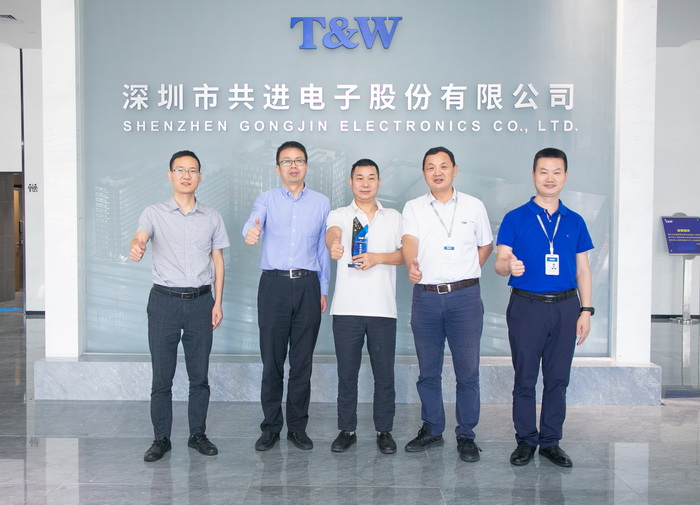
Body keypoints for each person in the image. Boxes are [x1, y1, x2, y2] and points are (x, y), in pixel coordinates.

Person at [494, 147, 593, 468]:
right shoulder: (515, 218)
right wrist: (509, 265)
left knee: (558, 379)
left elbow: (583, 270)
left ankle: (551, 442)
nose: (550, 178)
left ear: (565, 176)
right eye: (543, 172)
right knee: (525, 378)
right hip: (526, 306)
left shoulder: (575, 221)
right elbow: (499, 262)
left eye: (556, 172)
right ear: (533, 175)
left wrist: (586, 310)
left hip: (566, 307)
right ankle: (526, 440)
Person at [130, 150, 229, 462]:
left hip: (201, 303)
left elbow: (218, 261)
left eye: (192, 170)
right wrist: (138, 244)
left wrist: (218, 302)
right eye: (180, 169)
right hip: (164, 303)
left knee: (199, 377)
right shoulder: (153, 213)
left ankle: (197, 434)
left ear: (200, 176)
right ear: (170, 175)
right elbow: (141, 235)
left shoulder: (212, 217)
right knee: (162, 378)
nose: (186, 175)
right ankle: (161, 439)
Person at [401, 146, 493, 462]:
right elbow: (409, 241)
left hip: (465, 299)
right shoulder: (413, 207)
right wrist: (412, 263)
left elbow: (486, 245)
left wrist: (466, 271)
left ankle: (466, 435)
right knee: (428, 371)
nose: (437, 172)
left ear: (455, 169)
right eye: (431, 167)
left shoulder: (474, 206)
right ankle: (432, 428)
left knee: (467, 371)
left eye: (443, 166)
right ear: (424, 173)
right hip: (426, 297)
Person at [242, 140, 330, 451]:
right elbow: (252, 224)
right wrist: (251, 232)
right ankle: (270, 427)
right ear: (277, 167)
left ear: (306, 165)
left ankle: (297, 428)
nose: (293, 166)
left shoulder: (321, 203)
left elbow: (323, 250)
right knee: (273, 362)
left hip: (308, 285)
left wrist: (323, 289)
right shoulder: (265, 199)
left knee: (302, 363)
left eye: (298, 160)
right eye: (286, 161)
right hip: (274, 287)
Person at [325, 159, 403, 454]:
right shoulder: (341, 214)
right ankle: (347, 429)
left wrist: (377, 258)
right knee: (347, 374)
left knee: (384, 374)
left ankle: (384, 430)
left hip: (383, 309)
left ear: (379, 182)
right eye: (360, 178)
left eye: (371, 177)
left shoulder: (393, 217)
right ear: (350, 182)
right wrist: (333, 245)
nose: (365, 183)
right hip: (346, 309)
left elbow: (406, 254)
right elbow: (332, 233)